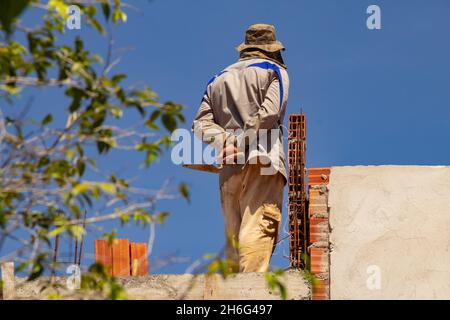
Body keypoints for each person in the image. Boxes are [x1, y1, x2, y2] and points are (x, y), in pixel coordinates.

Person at [192, 24, 289, 272]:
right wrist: (241, 141)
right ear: (272, 50)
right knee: (258, 227)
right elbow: (269, 114)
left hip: (229, 166)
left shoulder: (218, 79)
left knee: (234, 239)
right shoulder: (275, 70)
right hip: (263, 160)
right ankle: (251, 300)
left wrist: (225, 142)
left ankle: (232, 298)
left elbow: (200, 124)